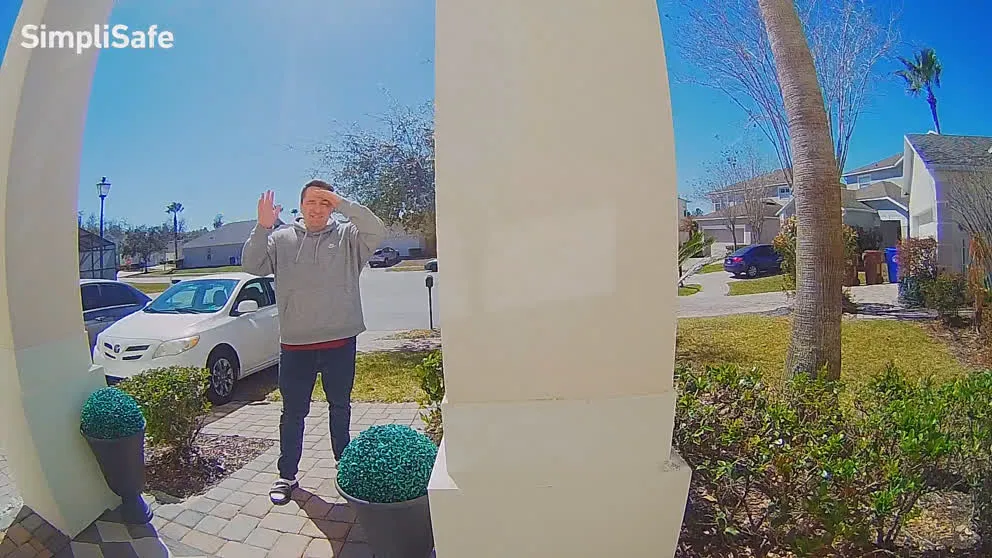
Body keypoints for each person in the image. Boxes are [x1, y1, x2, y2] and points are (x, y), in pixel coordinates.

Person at [242, 179, 385, 505]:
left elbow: (376, 231)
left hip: (339, 342)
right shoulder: (280, 239)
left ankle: (344, 466)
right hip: (295, 346)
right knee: (292, 413)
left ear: (332, 205)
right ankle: (287, 475)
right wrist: (262, 227)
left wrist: (343, 203)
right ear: (301, 205)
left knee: (340, 407)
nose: (318, 209)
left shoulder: (349, 237)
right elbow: (251, 265)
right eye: (312, 202)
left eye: (325, 202)